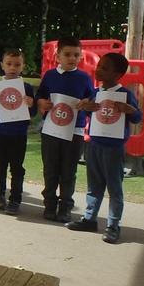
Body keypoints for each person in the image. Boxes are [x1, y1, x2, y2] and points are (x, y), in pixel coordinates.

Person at [67, 53, 142, 244]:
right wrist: (86, 107)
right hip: (94, 145)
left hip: (113, 148)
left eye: (104, 68)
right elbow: (91, 111)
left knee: (114, 187)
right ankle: (89, 219)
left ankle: (113, 225)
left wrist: (130, 110)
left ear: (117, 74)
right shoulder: (96, 92)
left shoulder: (125, 94)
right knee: (94, 185)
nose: (98, 70)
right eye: (99, 65)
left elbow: (137, 117)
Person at [35, 35, 95, 223]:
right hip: (51, 130)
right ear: (57, 56)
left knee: (69, 171)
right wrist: (41, 102)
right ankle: (49, 205)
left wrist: (87, 102)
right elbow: (40, 96)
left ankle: (65, 208)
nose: (72, 58)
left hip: (75, 132)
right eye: (67, 54)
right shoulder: (50, 75)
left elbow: (92, 99)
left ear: (80, 56)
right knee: (50, 169)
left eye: (76, 55)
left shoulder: (84, 78)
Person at [0, 48, 36, 214]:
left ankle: (15, 200)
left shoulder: (26, 88)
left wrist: (31, 104)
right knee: (0, 166)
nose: (13, 67)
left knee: (17, 168)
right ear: (2, 65)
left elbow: (33, 113)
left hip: (19, 134)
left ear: (23, 67)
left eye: (17, 64)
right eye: (9, 64)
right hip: (0, 133)